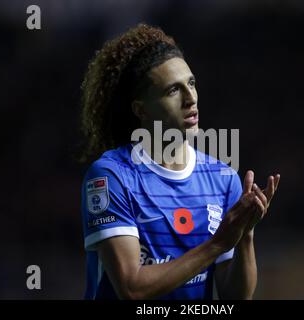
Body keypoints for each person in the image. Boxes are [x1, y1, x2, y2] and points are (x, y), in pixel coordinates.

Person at [79, 23, 280, 300]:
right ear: (141, 109)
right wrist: (218, 243)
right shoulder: (111, 177)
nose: (191, 98)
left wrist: (245, 234)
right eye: (173, 90)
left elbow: (235, 296)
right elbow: (131, 288)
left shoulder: (223, 179)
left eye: (191, 83)